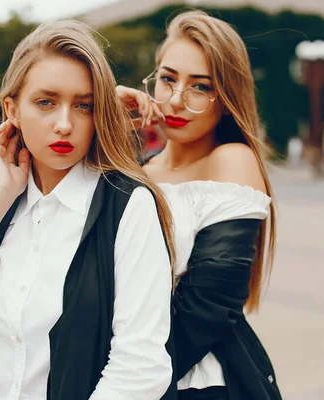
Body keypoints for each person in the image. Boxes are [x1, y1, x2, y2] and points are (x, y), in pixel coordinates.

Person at [0, 20, 176, 400]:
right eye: (46, 102)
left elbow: (142, 366)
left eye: (84, 105)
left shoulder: (128, 206)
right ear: (11, 109)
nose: (64, 124)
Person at [116, 10, 281, 400]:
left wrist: (124, 382)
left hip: (196, 379)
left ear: (225, 99)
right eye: (168, 79)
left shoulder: (231, 160)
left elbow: (208, 308)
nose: (175, 99)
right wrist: (102, 123)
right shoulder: (137, 170)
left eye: (200, 87)